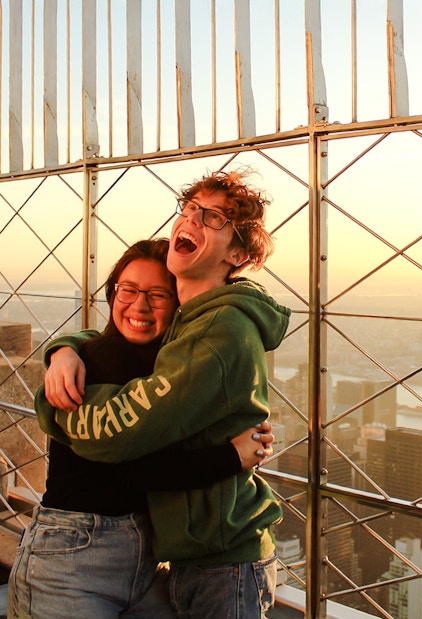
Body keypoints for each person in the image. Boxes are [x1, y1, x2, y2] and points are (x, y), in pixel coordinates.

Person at [35, 168, 291, 618]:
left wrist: (53, 408)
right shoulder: (188, 322)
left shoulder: (218, 329)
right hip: (186, 556)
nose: (192, 219)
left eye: (214, 218)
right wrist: (65, 350)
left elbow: (121, 437)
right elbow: (117, 336)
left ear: (237, 254)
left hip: (225, 558)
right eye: (191, 208)